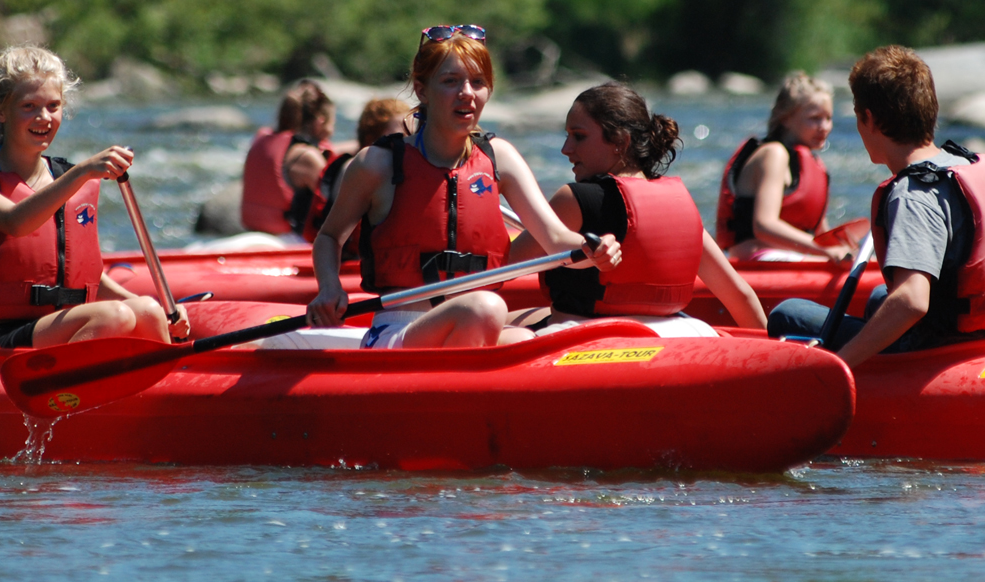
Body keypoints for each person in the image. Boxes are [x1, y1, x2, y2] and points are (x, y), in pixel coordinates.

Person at [303, 25, 616, 349]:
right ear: (423, 90)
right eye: (451, 81)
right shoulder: (376, 164)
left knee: (523, 338)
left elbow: (555, 238)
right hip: (398, 333)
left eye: (477, 82)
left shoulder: (500, 158)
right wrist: (329, 287)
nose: (467, 92)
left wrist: (595, 250)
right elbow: (328, 237)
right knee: (486, 306)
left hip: (476, 325)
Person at [767, 46, 985, 367]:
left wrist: (841, 363)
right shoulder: (964, 163)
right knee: (879, 298)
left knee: (788, 314)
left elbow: (912, 301)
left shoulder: (913, 193)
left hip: (938, 349)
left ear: (869, 119)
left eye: (857, 115)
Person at [0, 45, 183, 349]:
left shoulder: (64, 177)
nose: (44, 117)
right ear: (0, 110)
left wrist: (163, 312)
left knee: (147, 311)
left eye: (53, 106)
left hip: (63, 324)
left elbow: (91, 278)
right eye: (29, 106)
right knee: (113, 317)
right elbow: (14, 221)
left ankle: (162, 393)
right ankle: (57, 392)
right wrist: (81, 172)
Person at [525, 83, 765, 337]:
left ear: (620, 141)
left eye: (579, 136)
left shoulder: (573, 199)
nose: (566, 149)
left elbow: (497, 266)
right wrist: (771, 355)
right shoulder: (677, 203)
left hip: (581, 336)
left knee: (501, 322)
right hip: (672, 333)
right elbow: (740, 294)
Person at [714, 72, 854, 261]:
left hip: (790, 256)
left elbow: (820, 233)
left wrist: (841, 249)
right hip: (755, 258)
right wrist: (823, 250)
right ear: (786, 118)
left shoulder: (816, 166)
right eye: (814, 118)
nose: (824, 127)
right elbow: (764, 225)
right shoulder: (773, 154)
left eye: (828, 118)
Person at [299, 96, 412, 244]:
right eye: (401, 136)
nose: (408, 143)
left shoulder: (383, 164)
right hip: (348, 256)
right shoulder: (358, 169)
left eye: (412, 135)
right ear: (373, 136)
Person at [240, 80, 336, 237]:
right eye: (333, 123)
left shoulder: (266, 138)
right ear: (321, 122)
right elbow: (339, 207)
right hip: (289, 240)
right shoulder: (307, 157)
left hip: (252, 230)